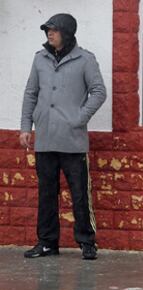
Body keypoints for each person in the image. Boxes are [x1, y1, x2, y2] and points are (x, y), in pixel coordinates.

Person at [20, 13, 106, 260]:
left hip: (73, 142)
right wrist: (26, 126)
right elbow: (30, 93)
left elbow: (99, 91)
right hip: (45, 138)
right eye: (47, 29)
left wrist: (79, 118)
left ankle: (87, 242)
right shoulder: (39, 59)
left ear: (66, 33)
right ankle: (47, 242)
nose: (49, 33)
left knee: (80, 193)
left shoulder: (85, 59)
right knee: (46, 193)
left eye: (54, 30)